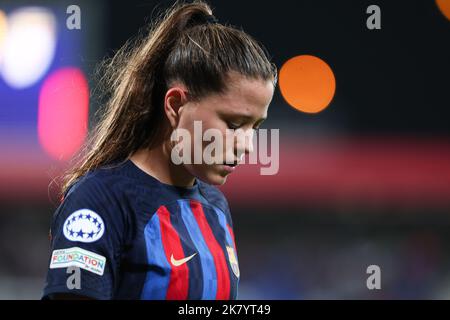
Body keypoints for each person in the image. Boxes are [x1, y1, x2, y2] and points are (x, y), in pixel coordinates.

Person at [42, 0, 277, 300]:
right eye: (233, 124)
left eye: (254, 127)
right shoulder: (99, 201)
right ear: (176, 105)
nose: (247, 146)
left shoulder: (216, 208)